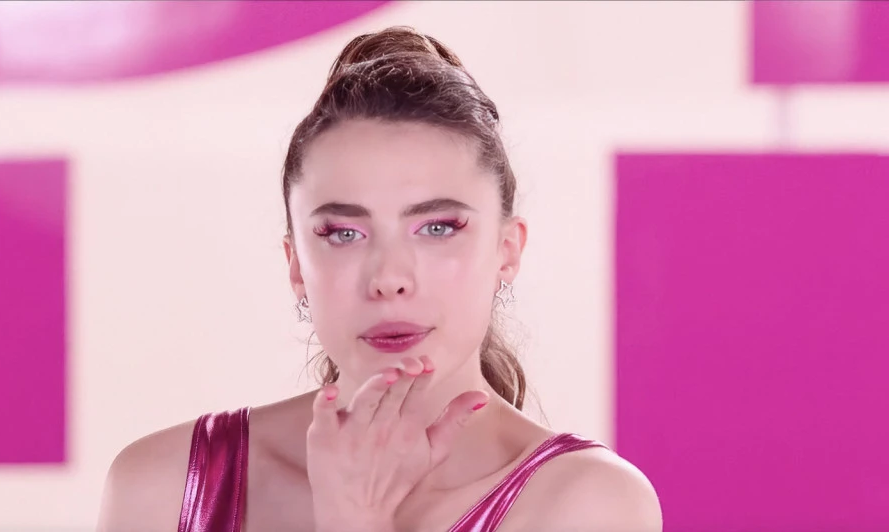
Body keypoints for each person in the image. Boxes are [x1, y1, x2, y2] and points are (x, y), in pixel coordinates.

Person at [95, 26, 662, 532]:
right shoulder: (164, 487)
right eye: (344, 233)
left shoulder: (588, 504)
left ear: (506, 250)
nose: (390, 279)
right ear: (297, 265)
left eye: (438, 228)